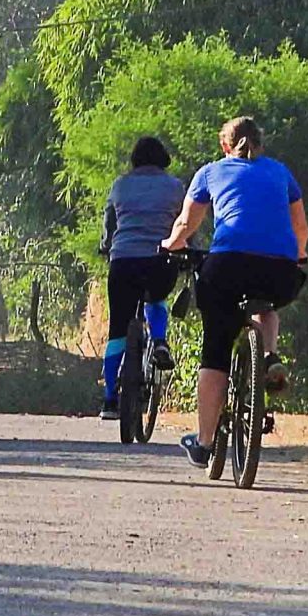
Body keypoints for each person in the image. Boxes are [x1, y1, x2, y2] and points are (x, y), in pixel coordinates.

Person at [160, 116, 308, 469]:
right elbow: (300, 227)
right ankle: (269, 355)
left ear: (224, 145)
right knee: (267, 303)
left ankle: (205, 443)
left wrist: (170, 245)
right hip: (279, 271)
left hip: (228, 266)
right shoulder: (281, 173)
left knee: (216, 350)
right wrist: (298, 255)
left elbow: (186, 224)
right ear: (261, 143)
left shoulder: (211, 172)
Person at [97, 135, 185, 420]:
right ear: (163, 160)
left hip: (123, 262)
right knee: (156, 298)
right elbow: (184, 224)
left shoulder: (120, 185)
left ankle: (110, 400)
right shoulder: (175, 187)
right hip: (160, 261)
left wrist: (106, 246)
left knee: (118, 330)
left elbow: (109, 225)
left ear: (134, 160)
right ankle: (159, 340)